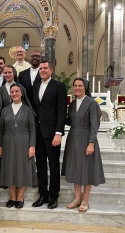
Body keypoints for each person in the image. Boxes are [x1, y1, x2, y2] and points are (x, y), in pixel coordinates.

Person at [61, 78, 105, 212]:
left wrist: (91, 143)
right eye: (75, 86)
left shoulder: (92, 103)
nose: (77, 88)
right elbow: (70, 121)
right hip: (73, 137)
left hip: (86, 138)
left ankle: (85, 199)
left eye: (80, 85)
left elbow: (95, 125)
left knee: (86, 169)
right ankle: (77, 198)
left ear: (85, 87)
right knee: (75, 168)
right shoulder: (73, 104)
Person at [32, 60, 67, 209]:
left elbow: (61, 111)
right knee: (40, 164)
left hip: (52, 132)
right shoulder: (35, 87)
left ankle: (54, 196)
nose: (42, 71)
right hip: (38, 132)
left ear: (51, 70)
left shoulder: (58, 86)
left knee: (53, 165)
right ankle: (43, 195)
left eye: (45, 68)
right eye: (41, 69)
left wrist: (58, 133)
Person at [0, 83, 37, 209]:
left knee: (23, 168)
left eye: (17, 91)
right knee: (10, 169)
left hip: (24, 141)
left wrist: (32, 146)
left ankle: (20, 196)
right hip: (7, 141)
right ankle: (12, 196)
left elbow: (32, 130)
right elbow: (0, 130)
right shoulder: (5, 110)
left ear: (21, 93)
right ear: (10, 94)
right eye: (12, 92)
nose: (14, 94)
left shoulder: (27, 110)